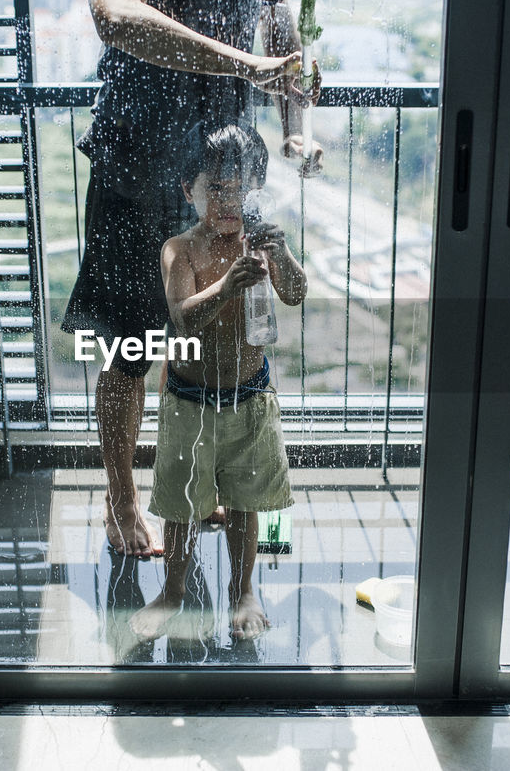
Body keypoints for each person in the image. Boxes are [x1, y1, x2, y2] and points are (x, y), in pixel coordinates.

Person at [63, 0, 322, 558]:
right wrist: (248, 64)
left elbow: (284, 38)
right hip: (138, 176)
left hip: (218, 185)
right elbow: (117, 15)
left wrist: (296, 123)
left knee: (206, 334)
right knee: (129, 348)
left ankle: (195, 484)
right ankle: (120, 497)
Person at [129, 122, 307, 641]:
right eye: (216, 189)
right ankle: (174, 591)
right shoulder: (180, 249)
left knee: (246, 504)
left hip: (250, 399)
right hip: (189, 401)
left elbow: (295, 293)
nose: (230, 201)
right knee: (182, 508)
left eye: (242, 188)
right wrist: (228, 286)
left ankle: (243, 587)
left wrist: (284, 256)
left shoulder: (261, 243)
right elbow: (182, 320)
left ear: (258, 189)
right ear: (190, 190)